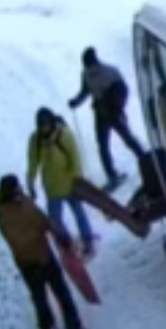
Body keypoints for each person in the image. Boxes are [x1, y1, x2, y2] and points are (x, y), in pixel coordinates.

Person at [0, 174, 91, 329]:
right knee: (40, 299)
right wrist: (38, 233)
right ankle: (48, 328)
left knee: (63, 293)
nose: (19, 193)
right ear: (7, 195)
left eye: (19, 189)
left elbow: (41, 219)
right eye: (15, 192)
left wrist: (58, 233)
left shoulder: (24, 201)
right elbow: (18, 242)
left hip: (47, 256)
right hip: (29, 264)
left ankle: (75, 326)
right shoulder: (4, 217)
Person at [67, 46, 146, 191]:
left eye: (90, 65)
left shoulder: (110, 72)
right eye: (86, 66)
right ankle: (112, 175)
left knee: (127, 138)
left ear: (96, 61)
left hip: (113, 112)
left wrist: (118, 107)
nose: (89, 69)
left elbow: (124, 90)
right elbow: (85, 91)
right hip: (100, 113)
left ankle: (146, 160)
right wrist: (76, 101)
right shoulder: (86, 74)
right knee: (102, 145)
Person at [26, 107, 96, 257]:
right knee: (55, 219)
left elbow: (75, 160)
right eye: (41, 126)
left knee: (79, 213)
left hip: (70, 184)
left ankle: (88, 240)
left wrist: (77, 181)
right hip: (52, 187)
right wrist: (30, 183)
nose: (44, 129)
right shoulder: (36, 140)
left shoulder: (65, 135)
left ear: (51, 123)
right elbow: (33, 163)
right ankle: (67, 243)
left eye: (46, 125)